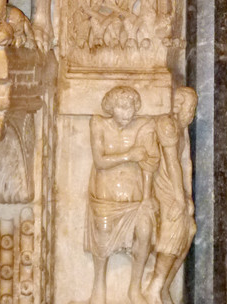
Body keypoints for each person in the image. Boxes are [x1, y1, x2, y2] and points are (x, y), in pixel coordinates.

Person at [86, 87, 159, 304]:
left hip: (135, 198)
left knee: (145, 233)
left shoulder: (145, 126)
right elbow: (99, 161)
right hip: (105, 197)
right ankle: (98, 287)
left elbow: (149, 165)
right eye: (120, 107)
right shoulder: (98, 123)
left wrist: (146, 199)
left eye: (130, 107)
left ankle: (134, 289)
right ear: (110, 107)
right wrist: (129, 155)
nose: (126, 112)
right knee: (102, 235)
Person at [146, 88, 197, 304]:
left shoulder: (182, 127)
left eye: (193, 108)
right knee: (174, 229)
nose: (191, 112)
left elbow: (186, 163)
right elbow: (171, 161)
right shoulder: (166, 124)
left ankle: (165, 285)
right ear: (177, 105)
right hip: (162, 184)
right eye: (189, 107)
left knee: (191, 229)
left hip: (176, 186)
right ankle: (153, 287)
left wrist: (189, 198)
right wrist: (178, 198)